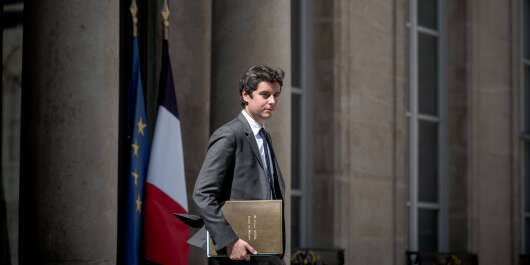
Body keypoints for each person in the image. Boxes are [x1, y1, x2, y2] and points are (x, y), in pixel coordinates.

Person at [193, 65, 286, 265]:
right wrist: (230, 240)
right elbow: (203, 194)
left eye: (276, 95)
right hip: (236, 254)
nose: (272, 101)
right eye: (265, 94)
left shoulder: (265, 136)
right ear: (246, 95)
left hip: (265, 251)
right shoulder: (229, 134)